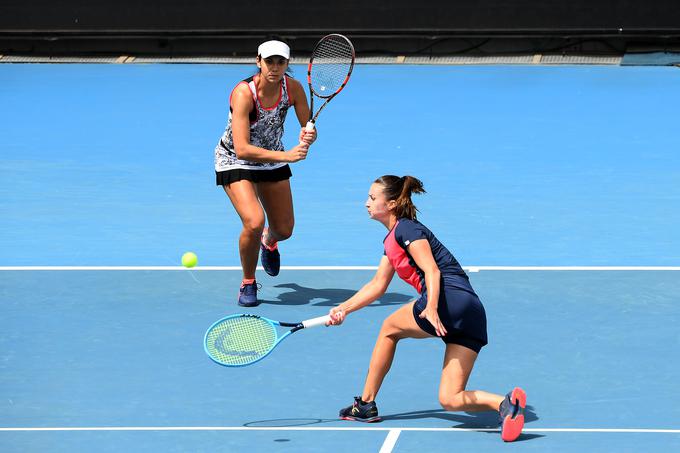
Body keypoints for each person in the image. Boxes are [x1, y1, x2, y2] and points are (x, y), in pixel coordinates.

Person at [326, 175, 527, 442]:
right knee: (450, 399)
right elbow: (377, 285)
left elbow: (432, 270)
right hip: (471, 312)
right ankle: (507, 405)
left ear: (393, 203)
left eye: (373, 198)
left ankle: (365, 404)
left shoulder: (406, 230)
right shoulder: (391, 241)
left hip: (447, 299)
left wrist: (431, 306)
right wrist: (344, 309)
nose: (366, 203)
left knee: (389, 329)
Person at [214, 39, 316, 307]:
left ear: (286, 64)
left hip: (271, 159)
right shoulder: (243, 93)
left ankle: (269, 241)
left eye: (280, 62)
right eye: (269, 61)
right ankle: (248, 282)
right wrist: (287, 156)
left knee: (284, 229)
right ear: (258, 61)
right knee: (254, 220)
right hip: (235, 159)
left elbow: (307, 126)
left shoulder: (293, 89)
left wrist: (309, 134)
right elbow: (244, 149)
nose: (274, 67)